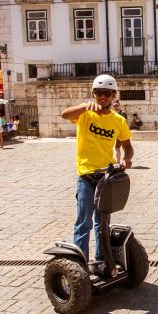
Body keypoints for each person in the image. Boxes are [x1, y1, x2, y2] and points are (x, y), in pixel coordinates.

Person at [60, 74, 134, 275]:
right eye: (99, 93)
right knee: (83, 220)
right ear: (93, 93)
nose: (103, 97)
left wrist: (126, 159)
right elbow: (64, 114)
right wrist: (84, 106)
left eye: (107, 93)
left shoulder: (118, 120)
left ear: (114, 95)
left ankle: (101, 259)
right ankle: (80, 264)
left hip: (106, 176)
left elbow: (128, 146)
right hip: (86, 175)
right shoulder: (85, 114)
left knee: (102, 221)